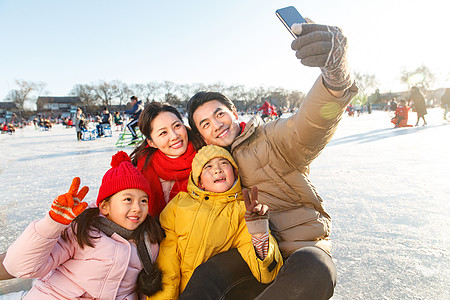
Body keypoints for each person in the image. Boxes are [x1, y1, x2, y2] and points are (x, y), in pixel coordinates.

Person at [183, 21, 357, 300]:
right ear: (202, 136)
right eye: (205, 124)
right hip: (253, 253)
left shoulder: (270, 137)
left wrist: (334, 77)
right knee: (206, 277)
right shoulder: (209, 167)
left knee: (317, 270)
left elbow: (308, 125)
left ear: (232, 110)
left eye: (218, 114)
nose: (215, 125)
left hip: (299, 249)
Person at [2, 151, 165, 299]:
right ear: (105, 206)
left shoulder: (148, 242)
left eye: (143, 201)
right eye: (128, 199)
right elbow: (19, 267)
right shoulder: (83, 231)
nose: (137, 208)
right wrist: (52, 224)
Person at [151, 145, 283, 299]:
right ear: (199, 181)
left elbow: (266, 274)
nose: (218, 170)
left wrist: (260, 232)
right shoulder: (179, 205)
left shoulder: (242, 211)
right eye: (208, 166)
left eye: (224, 163)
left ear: (234, 173)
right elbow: (167, 263)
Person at [129, 102, 204, 217]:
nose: (174, 136)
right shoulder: (140, 170)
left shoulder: (208, 157)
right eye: (163, 133)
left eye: (177, 126)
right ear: (151, 142)